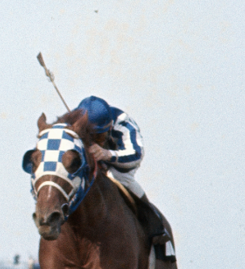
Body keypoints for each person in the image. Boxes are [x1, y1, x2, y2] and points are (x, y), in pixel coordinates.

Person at [73, 95, 173, 249]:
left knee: (116, 177)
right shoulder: (76, 121)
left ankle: (154, 223)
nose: (93, 138)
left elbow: (136, 155)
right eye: (89, 134)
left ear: (109, 127)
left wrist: (107, 154)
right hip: (91, 161)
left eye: (97, 135)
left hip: (121, 164)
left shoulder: (125, 126)